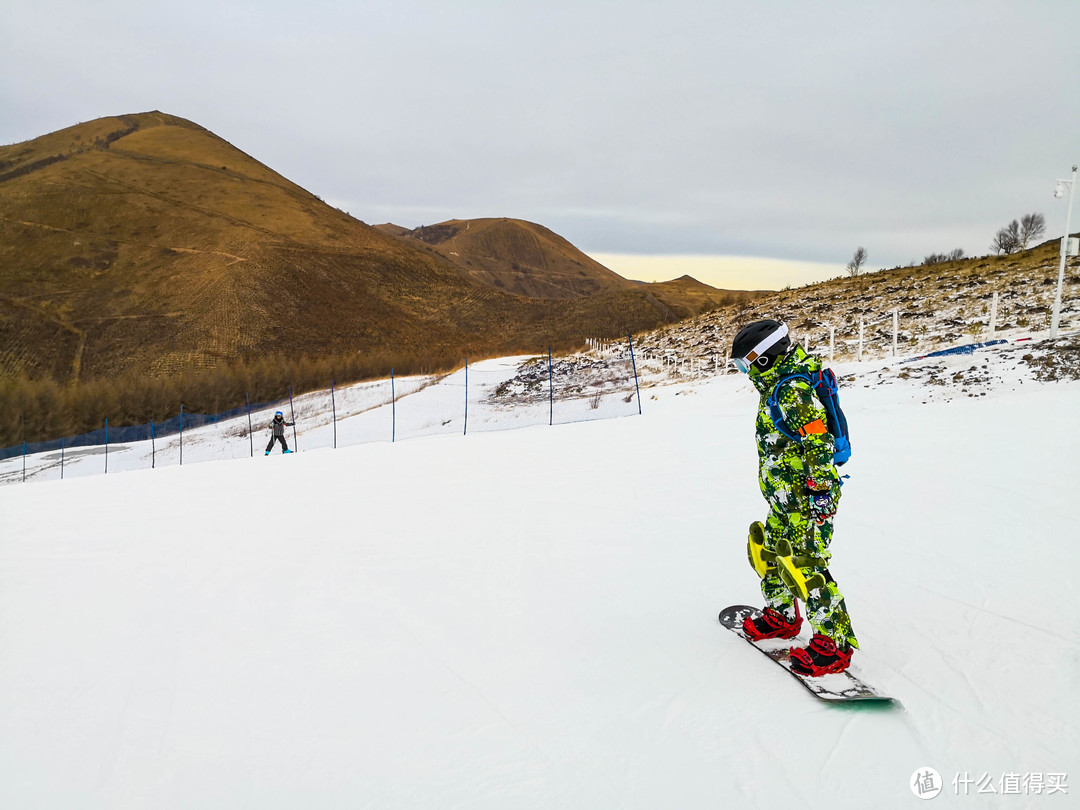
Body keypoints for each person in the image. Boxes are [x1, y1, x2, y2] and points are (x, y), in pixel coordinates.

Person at [730, 319, 858, 676]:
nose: (744, 372)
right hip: (785, 497)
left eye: (745, 363)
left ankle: (834, 644)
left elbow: (818, 441)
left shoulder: (791, 391)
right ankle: (782, 615)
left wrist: (818, 493)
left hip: (807, 498)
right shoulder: (773, 386)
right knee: (768, 550)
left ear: (765, 358)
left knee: (806, 567)